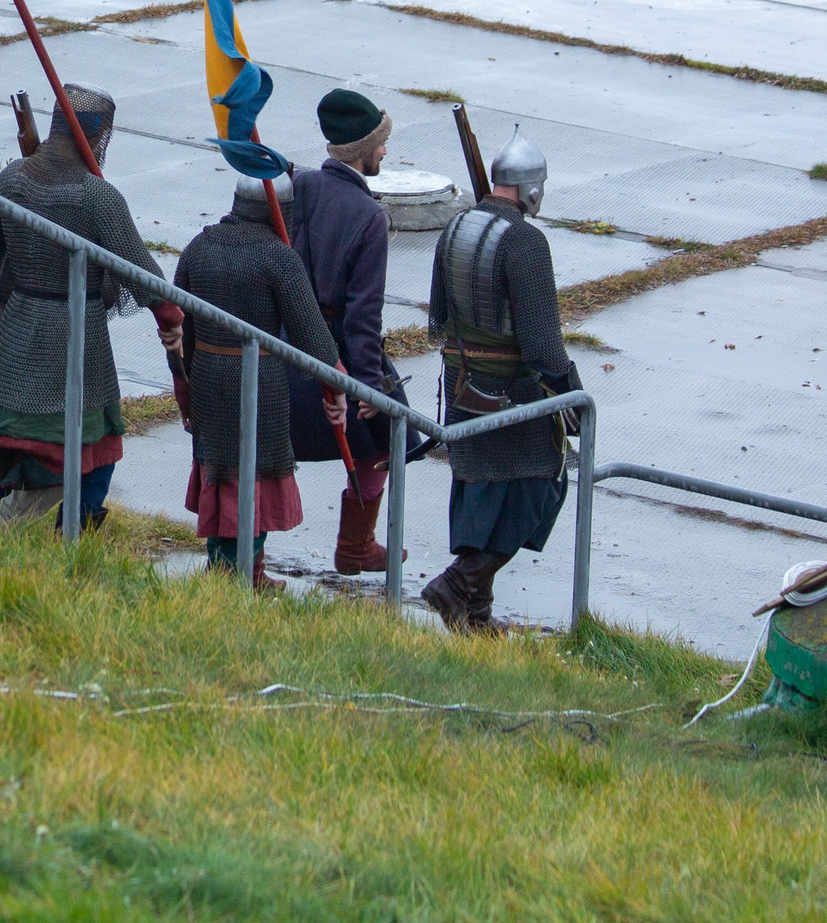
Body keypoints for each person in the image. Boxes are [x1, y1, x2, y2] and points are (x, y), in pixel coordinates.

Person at [0, 85, 181, 526]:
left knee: (10, 435)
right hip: (76, 334)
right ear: (98, 136)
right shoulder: (98, 197)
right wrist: (170, 317)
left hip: (17, 322)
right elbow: (139, 269)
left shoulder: (13, 178)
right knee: (87, 448)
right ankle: (53, 534)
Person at [422, 128, 584, 632]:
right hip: (511, 392)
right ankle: (457, 584)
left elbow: (438, 318)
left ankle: (475, 614)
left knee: (482, 492)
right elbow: (541, 343)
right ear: (533, 188)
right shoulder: (525, 241)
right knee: (537, 486)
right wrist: (572, 394)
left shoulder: (456, 227)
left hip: (462, 382)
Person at [175, 174, 340, 583]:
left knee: (222, 476)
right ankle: (231, 577)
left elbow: (182, 333)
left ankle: (246, 570)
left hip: (207, 376)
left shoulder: (199, 247)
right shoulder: (278, 257)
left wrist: (186, 386)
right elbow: (314, 342)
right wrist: (335, 386)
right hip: (258, 382)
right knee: (247, 482)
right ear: (279, 208)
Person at [289, 87, 412, 574]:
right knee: (388, 437)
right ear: (363, 149)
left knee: (266, 439)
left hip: (286, 337)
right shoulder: (369, 217)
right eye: (381, 142)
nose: (385, 150)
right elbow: (364, 313)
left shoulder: (301, 186)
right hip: (336, 344)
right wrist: (368, 383)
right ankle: (355, 546)